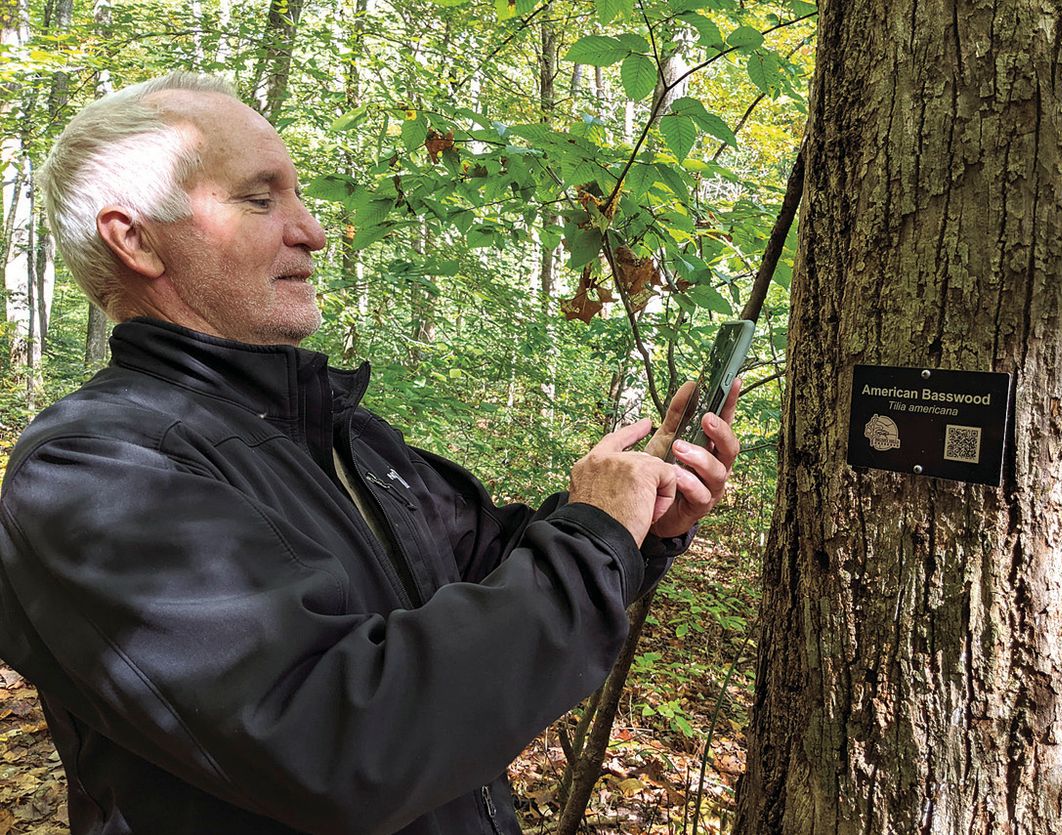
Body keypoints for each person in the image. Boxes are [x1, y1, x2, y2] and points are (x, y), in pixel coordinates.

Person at [0, 72, 741, 835]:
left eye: (298, 195)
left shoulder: (342, 435)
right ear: (135, 238)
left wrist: (635, 520)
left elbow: (492, 573)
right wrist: (593, 542)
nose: (313, 231)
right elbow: (338, 741)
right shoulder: (93, 470)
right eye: (260, 199)